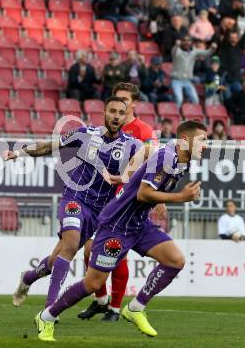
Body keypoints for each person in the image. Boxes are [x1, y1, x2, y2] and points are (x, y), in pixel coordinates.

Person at [34, 120, 207, 342]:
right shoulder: (165, 157)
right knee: (93, 283)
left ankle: (135, 308)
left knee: (175, 260)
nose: (206, 145)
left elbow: (144, 157)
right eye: (202, 140)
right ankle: (46, 317)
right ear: (186, 140)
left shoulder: (182, 161)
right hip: (116, 226)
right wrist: (180, 197)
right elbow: (143, 194)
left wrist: (127, 176)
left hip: (139, 224)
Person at [7, 97, 142, 311]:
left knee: (54, 261)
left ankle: (28, 278)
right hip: (75, 197)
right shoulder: (85, 133)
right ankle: (50, 310)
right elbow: (50, 146)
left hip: (99, 211)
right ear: (104, 114)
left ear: (125, 117)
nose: (116, 116)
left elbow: (149, 167)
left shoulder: (133, 145)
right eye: (112, 111)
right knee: (70, 245)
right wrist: (18, 152)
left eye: (120, 113)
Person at [78, 82, 158, 322]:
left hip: (125, 198)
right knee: (90, 250)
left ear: (134, 104)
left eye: (124, 100)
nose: (119, 105)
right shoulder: (106, 129)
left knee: (116, 252)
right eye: (116, 101)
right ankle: (101, 300)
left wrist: (156, 195)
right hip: (101, 196)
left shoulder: (143, 130)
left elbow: (154, 163)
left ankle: (114, 307)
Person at [171, 35, 216, 107]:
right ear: (181, 42)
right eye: (184, 40)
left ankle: (190, 114)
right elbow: (174, 52)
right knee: (179, 99)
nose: (186, 42)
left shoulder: (194, 51)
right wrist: (176, 45)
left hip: (187, 81)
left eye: (188, 41)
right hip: (177, 80)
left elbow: (206, 54)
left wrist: (212, 48)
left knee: (195, 100)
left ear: (191, 42)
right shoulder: (178, 51)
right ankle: (176, 115)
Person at [219, 16, 245, 93]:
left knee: (240, 93)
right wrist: (228, 28)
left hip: (236, 79)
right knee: (227, 96)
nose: (233, 39)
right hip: (225, 79)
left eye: (235, 38)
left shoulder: (239, 47)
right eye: (231, 38)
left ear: (237, 38)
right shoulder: (225, 47)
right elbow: (225, 38)